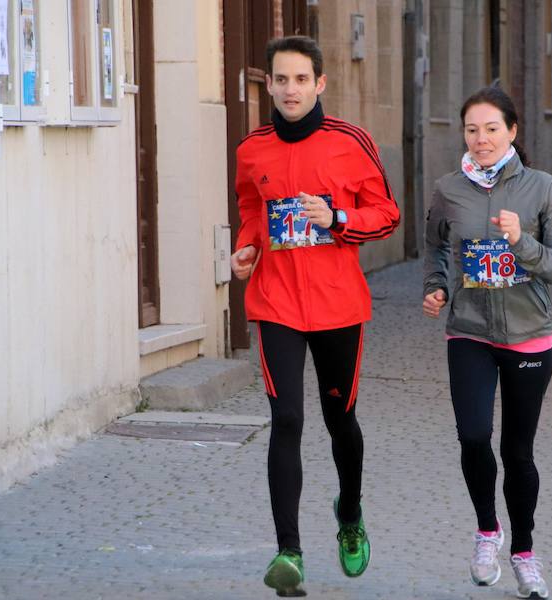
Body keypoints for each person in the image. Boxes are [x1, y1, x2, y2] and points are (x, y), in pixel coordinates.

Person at [230, 36, 399, 597]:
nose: (290, 89)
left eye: (301, 79)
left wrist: (337, 215)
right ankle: (289, 554)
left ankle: (349, 512)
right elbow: (251, 207)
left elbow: (387, 214)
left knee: (339, 423)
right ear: (269, 85)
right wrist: (248, 246)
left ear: (319, 83)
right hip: (276, 302)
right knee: (286, 421)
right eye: (280, 79)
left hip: (336, 304)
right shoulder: (253, 148)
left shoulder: (350, 142)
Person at [422, 87, 552, 599]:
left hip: (529, 338)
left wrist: (522, 243)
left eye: (491, 128)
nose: (481, 138)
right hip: (468, 332)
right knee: (472, 436)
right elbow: (436, 246)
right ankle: (488, 531)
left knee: (518, 452)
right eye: (472, 129)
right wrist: (436, 287)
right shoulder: (448, 189)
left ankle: (525, 553)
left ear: (512, 131)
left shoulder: (542, 189)